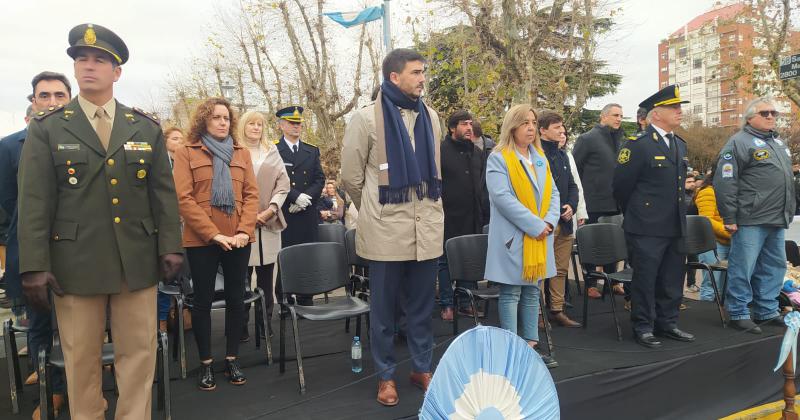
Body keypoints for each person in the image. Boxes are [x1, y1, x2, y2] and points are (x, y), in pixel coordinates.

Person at [17, 24, 184, 419]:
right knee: (80, 361)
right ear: (74, 68)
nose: (88, 66)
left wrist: (172, 246)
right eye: (81, 59)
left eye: (99, 60)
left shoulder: (144, 127)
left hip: (137, 261)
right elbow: (35, 202)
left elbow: (162, 194)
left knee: (139, 355)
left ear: (117, 72)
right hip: (76, 264)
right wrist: (35, 266)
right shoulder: (49, 128)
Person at [341, 48, 444, 406]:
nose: (422, 78)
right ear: (394, 77)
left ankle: (421, 367)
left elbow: (435, 172)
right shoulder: (366, 119)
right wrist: (372, 209)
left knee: (420, 309)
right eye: (416, 72)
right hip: (386, 233)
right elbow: (351, 178)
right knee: (383, 313)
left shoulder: (431, 117)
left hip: (426, 230)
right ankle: (385, 376)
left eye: (423, 72)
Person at [173, 97, 258, 390]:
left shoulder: (241, 153)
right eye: (216, 118)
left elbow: (251, 196)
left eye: (226, 118)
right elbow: (183, 198)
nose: (223, 122)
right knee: (203, 302)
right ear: (203, 121)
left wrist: (245, 231)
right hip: (202, 240)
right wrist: (213, 234)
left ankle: (232, 358)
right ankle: (206, 363)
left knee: (237, 298)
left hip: (238, 239)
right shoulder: (187, 152)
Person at [0, 72, 72, 418]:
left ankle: (81, 381)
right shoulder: (9, 146)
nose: (53, 102)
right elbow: (10, 201)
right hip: (32, 251)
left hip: (76, 250)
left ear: (69, 100)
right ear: (33, 101)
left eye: (60, 95)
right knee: (41, 324)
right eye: (45, 95)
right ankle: (53, 392)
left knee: (82, 322)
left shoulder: (81, 140)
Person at [613, 84, 694, 348]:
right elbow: (621, 187)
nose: (680, 111)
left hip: (674, 224)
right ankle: (643, 326)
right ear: (656, 114)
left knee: (672, 278)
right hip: (646, 226)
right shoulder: (638, 145)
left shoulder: (679, 145)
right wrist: (639, 214)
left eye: (680, 107)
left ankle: (667, 323)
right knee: (645, 280)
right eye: (674, 108)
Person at [485, 104, 560, 366]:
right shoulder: (499, 158)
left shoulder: (539, 157)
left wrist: (549, 222)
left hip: (540, 237)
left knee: (531, 291)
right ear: (512, 127)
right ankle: (510, 347)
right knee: (511, 293)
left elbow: (554, 194)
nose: (530, 127)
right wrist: (534, 225)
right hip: (514, 237)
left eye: (532, 122)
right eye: (524, 122)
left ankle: (530, 345)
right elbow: (502, 198)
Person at [714, 97, 794, 333]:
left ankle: (766, 310)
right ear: (750, 118)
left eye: (774, 113)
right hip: (750, 217)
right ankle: (738, 313)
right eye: (765, 113)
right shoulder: (738, 142)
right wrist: (729, 217)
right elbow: (725, 182)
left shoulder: (778, 142)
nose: (771, 116)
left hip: (776, 217)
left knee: (774, 266)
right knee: (743, 267)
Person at [238, 110, 289, 341]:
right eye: (251, 124)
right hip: (241, 225)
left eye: (259, 124)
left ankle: (265, 321)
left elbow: (283, 184)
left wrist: (271, 209)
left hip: (268, 223)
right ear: (243, 126)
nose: (256, 128)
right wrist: (248, 216)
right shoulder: (233, 149)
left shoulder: (272, 150)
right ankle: (241, 326)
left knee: (267, 278)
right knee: (242, 278)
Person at [437, 110, 488, 321]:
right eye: (464, 124)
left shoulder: (476, 152)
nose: (469, 127)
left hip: (473, 215)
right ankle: (447, 304)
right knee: (445, 262)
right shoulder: (439, 151)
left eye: (470, 123)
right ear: (452, 128)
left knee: (468, 258)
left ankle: (466, 303)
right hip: (447, 216)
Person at [573, 103, 625, 299]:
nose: (619, 119)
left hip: (615, 202)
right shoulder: (587, 139)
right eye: (615, 115)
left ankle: (613, 280)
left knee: (613, 242)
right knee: (592, 244)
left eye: (621, 115)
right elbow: (575, 169)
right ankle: (590, 283)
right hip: (592, 202)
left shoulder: (620, 140)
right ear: (603, 117)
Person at [274, 105, 325, 306]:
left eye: (299, 123)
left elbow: (319, 179)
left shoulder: (311, 151)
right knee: (287, 257)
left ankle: (306, 297)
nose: (296, 127)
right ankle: (285, 299)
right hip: (286, 212)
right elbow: (276, 180)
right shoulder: (275, 150)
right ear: (281, 125)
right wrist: (294, 197)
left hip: (307, 212)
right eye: (292, 123)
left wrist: (305, 199)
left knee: (307, 256)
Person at [538, 110, 581, 328]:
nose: (562, 130)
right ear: (543, 130)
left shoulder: (563, 154)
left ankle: (557, 309)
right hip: (545, 223)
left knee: (560, 269)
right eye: (556, 127)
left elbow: (572, 185)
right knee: (540, 271)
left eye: (562, 126)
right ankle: (536, 313)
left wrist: (572, 206)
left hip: (565, 222)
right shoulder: (536, 154)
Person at [157, 126, 186, 332]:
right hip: (166, 226)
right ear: (165, 141)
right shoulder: (160, 163)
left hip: (186, 225)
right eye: (175, 138)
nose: (179, 142)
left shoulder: (184, 162)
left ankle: (183, 313)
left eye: (182, 138)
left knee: (184, 273)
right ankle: (162, 319)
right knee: (167, 275)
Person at [693, 166, 731, 302]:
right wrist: (730, 232)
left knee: (725, 285)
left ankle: (721, 316)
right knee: (711, 283)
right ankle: (706, 315)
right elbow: (706, 220)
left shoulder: (727, 191)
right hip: (712, 243)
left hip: (727, 241)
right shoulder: (707, 192)